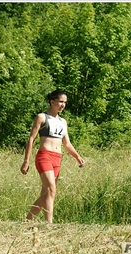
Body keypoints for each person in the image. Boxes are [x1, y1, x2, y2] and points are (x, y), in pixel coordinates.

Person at [20, 89, 85, 223]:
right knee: (51, 190)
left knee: (47, 194)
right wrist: (26, 161)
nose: (63, 105)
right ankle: (49, 224)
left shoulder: (63, 122)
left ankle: (27, 220)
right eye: (60, 101)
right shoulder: (42, 117)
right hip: (44, 156)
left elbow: (67, 143)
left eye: (65, 102)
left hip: (57, 158)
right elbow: (31, 139)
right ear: (52, 101)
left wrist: (77, 157)